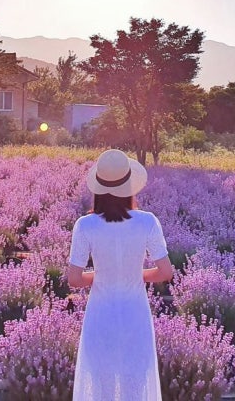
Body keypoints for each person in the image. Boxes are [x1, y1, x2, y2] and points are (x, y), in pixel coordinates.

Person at [67, 149, 173, 401]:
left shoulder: (85, 225)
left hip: (100, 315)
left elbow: (74, 279)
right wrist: (134, 275)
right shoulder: (147, 222)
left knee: (100, 385)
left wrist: (103, 275)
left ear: (98, 188)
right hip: (135, 314)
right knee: (135, 385)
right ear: (129, 186)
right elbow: (166, 272)